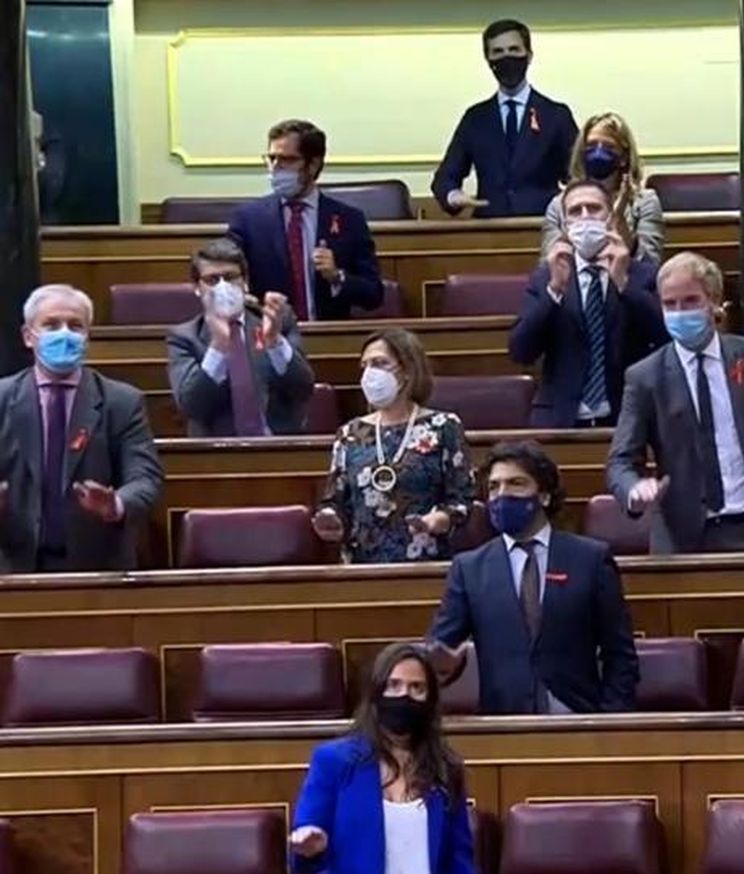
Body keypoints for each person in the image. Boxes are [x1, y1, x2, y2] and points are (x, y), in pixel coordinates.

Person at [608, 252, 744, 555]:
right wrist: (633, 490)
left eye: (690, 301)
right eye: (670, 304)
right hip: (682, 537)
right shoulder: (645, 376)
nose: (680, 312)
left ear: (714, 301)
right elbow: (620, 461)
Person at [428, 441, 639, 714]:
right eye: (494, 487)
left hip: (581, 721)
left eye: (516, 483)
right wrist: (445, 661)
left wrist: (611, 724)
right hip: (503, 727)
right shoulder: (469, 568)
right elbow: (440, 649)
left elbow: (620, 654)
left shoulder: (590, 559)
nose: (502, 495)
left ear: (544, 495)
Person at [288, 642, 477, 874]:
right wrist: (310, 846)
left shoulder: (446, 768)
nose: (404, 696)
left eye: (417, 688)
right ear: (376, 693)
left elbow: (459, 864)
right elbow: (305, 844)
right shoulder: (334, 761)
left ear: (430, 699)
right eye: (394, 685)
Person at [0, 285, 164, 574]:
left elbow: (146, 479)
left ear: (87, 337)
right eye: (51, 325)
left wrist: (116, 504)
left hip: (97, 570)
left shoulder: (121, 402)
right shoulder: (2, 399)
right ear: (28, 336)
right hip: (13, 566)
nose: (64, 333)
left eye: (75, 326)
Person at [509, 180, 668, 428]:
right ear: (564, 224)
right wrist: (555, 290)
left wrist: (623, 284)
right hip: (560, 419)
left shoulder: (643, 276)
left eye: (594, 209)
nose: (585, 217)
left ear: (611, 218)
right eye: (575, 211)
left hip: (629, 419)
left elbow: (665, 339)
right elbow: (521, 351)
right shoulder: (545, 278)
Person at [313, 329, 475, 563]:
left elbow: (462, 499)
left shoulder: (443, 426)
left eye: (380, 363)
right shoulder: (350, 433)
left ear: (407, 369)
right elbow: (336, 500)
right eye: (365, 365)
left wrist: (437, 520)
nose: (370, 373)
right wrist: (331, 520)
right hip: (362, 566)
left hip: (425, 561)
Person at [226, 119, 383, 321]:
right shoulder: (248, 220)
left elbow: (373, 294)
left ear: (313, 165)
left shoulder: (349, 220)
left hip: (327, 339)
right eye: (271, 158)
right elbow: (227, 276)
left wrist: (337, 277)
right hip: (269, 339)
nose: (275, 168)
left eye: (287, 160)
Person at [166, 238, 315, 437]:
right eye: (212, 280)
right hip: (216, 455)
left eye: (230, 277)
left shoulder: (277, 321)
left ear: (245, 282)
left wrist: (274, 343)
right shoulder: (184, 337)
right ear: (197, 287)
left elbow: (303, 389)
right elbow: (192, 406)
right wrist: (218, 346)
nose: (222, 287)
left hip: (280, 448)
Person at [432, 19, 579, 219]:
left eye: (514, 49)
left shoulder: (556, 115)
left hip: (545, 226)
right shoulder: (475, 119)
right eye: (498, 52)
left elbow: (578, 175)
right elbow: (445, 178)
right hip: (490, 231)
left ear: (529, 55)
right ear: (488, 59)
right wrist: (453, 195)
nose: (506, 57)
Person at [541, 112, 666, 262]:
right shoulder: (559, 205)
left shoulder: (644, 202)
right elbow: (548, 265)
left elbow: (651, 263)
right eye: (591, 145)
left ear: (624, 157)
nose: (598, 152)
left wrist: (620, 223)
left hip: (626, 281)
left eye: (609, 146)